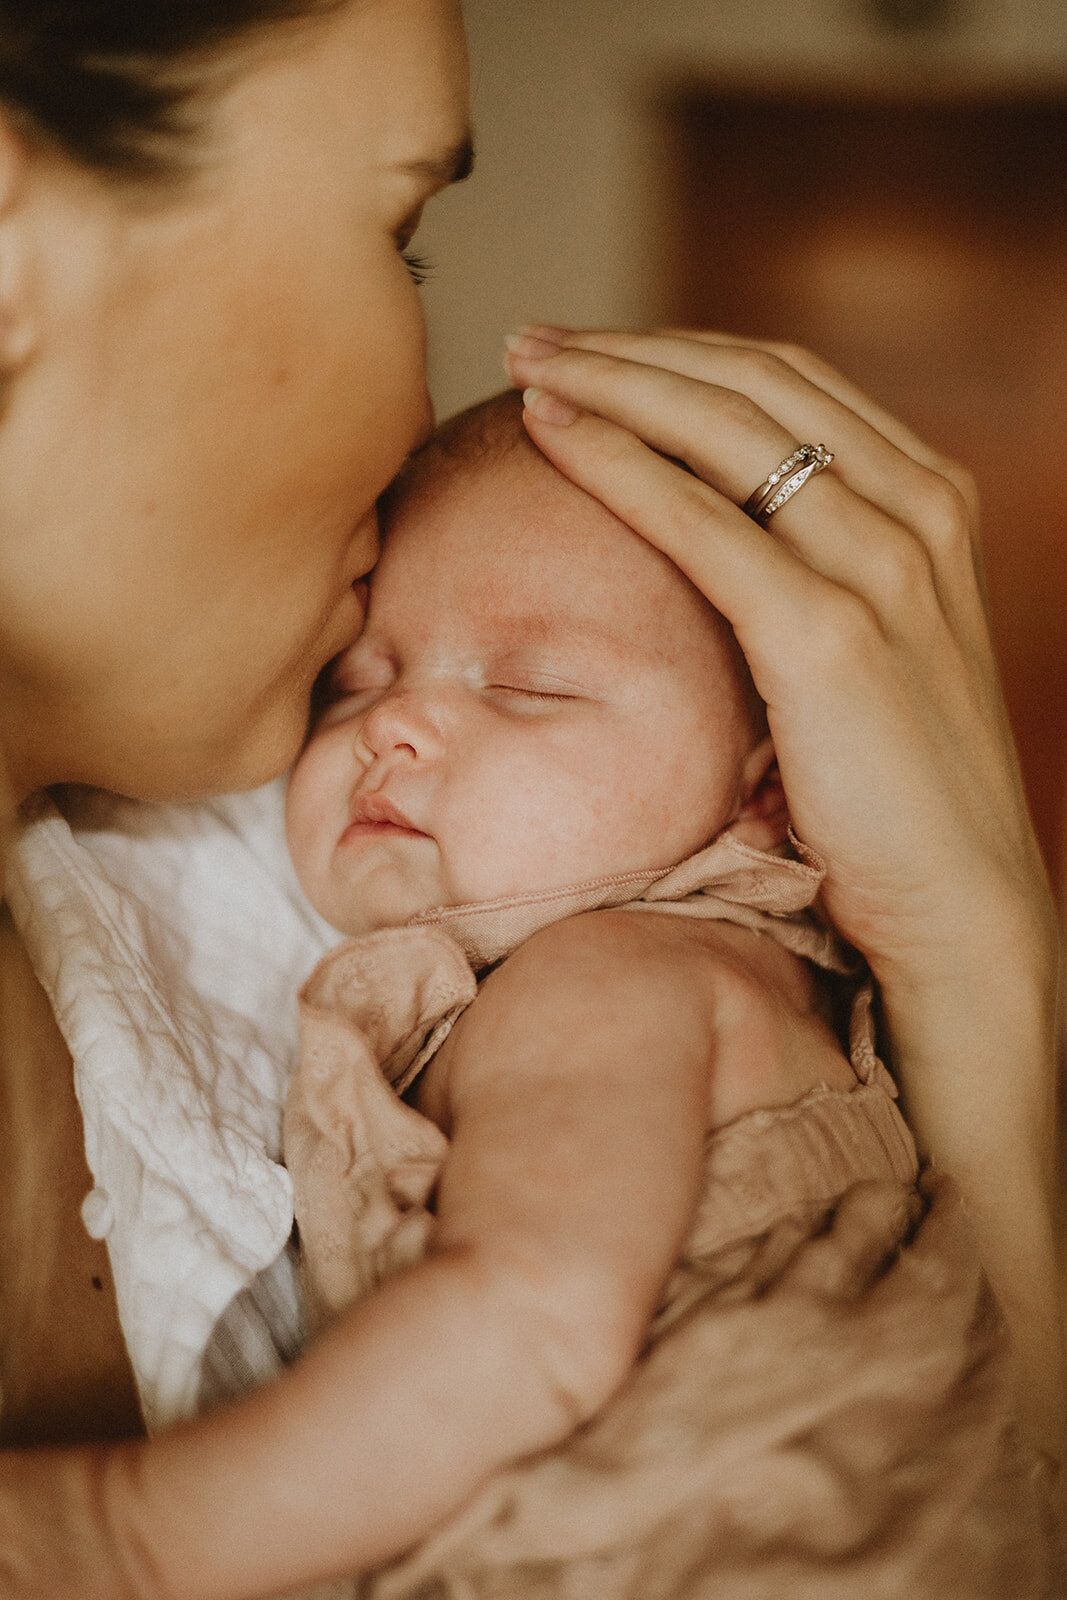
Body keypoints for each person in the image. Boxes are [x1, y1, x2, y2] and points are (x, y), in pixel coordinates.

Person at [0, 0, 1059, 1587]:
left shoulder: (601, 971)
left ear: (759, 790)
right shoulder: (271, 851)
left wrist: (981, 983)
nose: (391, 731)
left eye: (533, 687)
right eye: (403, 228)